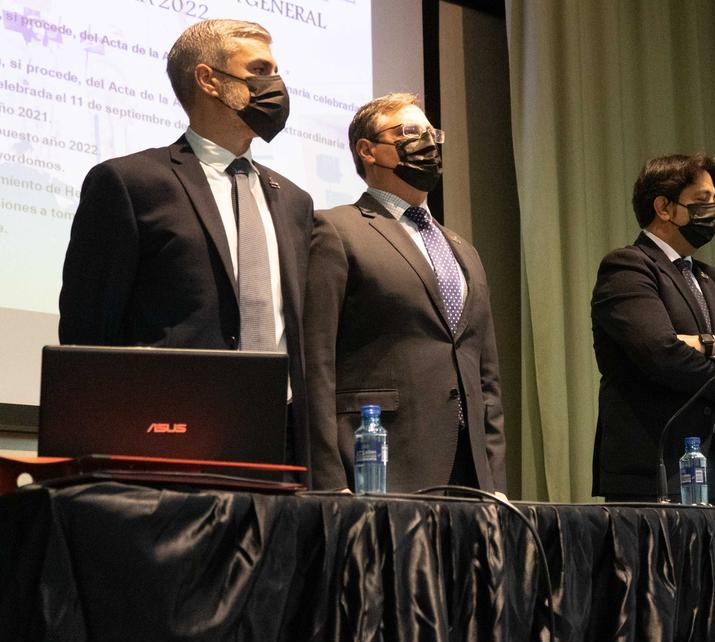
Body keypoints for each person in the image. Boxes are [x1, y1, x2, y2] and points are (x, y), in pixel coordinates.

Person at [59, 19, 314, 468]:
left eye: (276, 71)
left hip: (281, 445)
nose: (274, 84)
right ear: (208, 79)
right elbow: (88, 334)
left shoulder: (294, 200)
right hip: (166, 445)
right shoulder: (129, 182)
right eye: (259, 69)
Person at [304, 93, 506, 494]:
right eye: (411, 132)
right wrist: (328, 480)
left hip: (470, 473)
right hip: (379, 462)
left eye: (432, 134)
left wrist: (495, 477)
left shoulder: (461, 248)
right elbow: (316, 361)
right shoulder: (335, 230)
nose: (427, 144)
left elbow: (486, 374)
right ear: (367, 150)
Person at [591, 153, 715, 506]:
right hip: (653, 471)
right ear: (664, 207)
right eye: (700, 202)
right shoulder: (628, 267)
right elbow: (662, 354)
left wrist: (707, 344)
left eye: (713, 201)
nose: (711, 212)